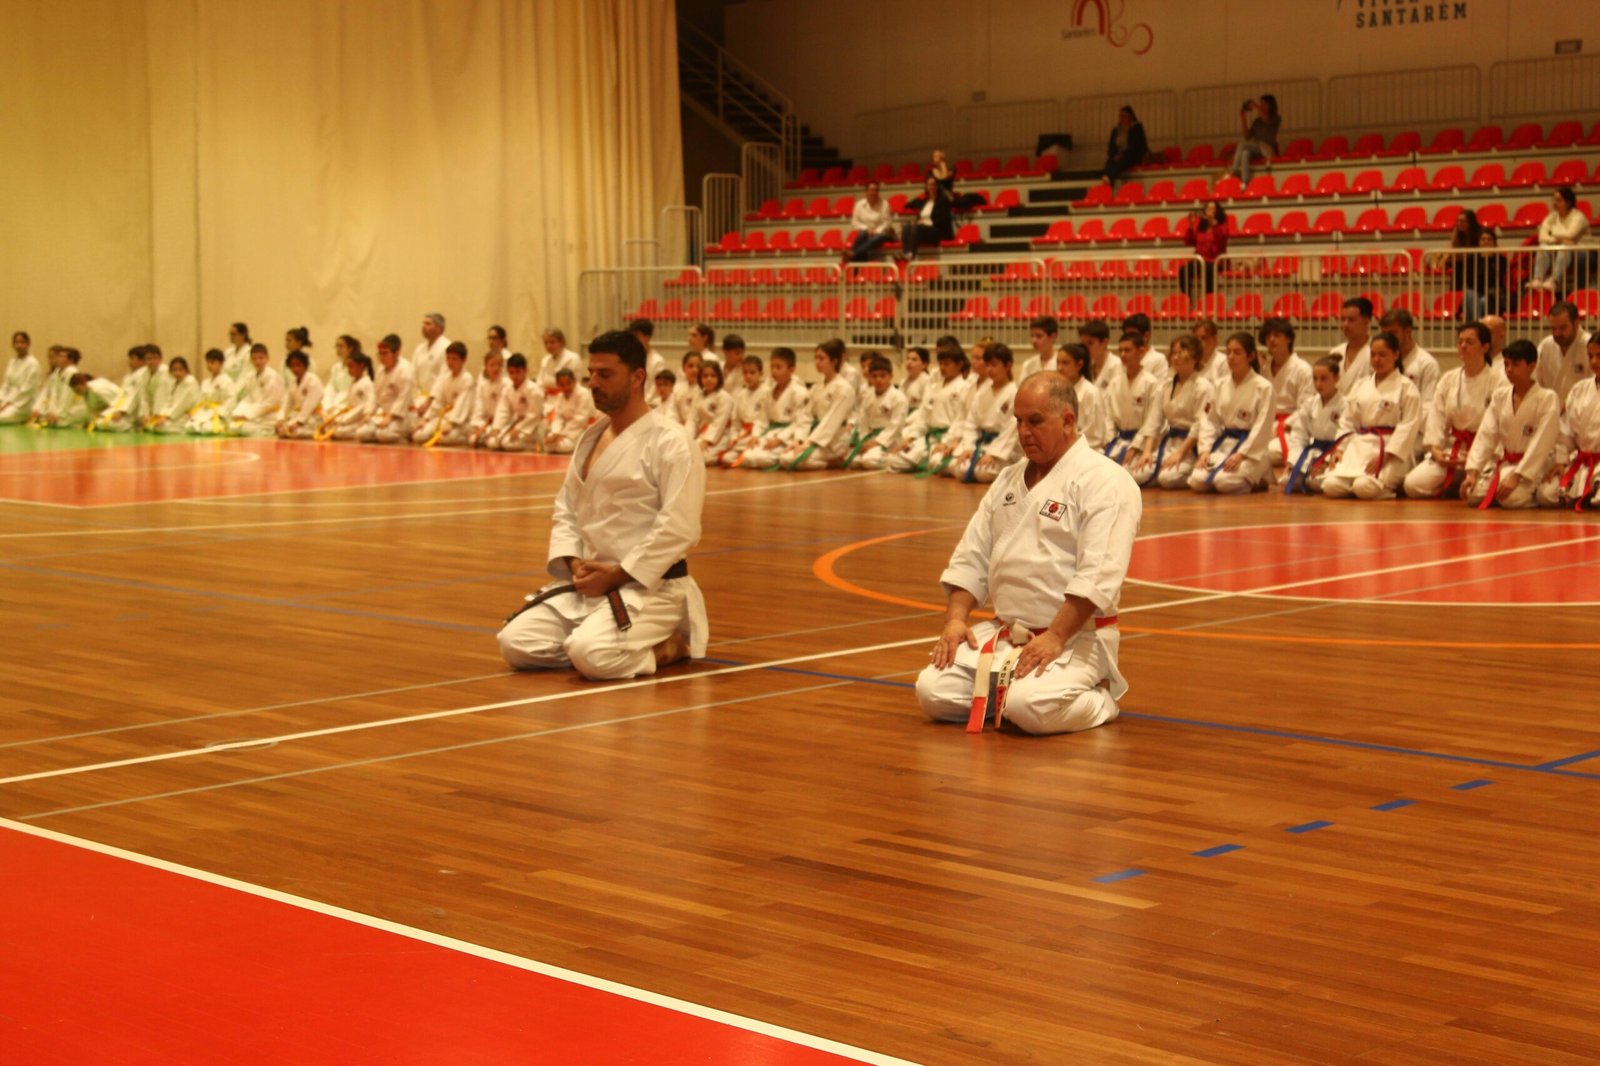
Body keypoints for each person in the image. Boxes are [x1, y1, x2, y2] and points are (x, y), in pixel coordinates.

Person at [917, 371, 1141, 736]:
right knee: (933, 692)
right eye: (1019, 421)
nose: (1023, 432)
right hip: (1007, 633)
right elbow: (971, 556)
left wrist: (1055, 636)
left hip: (1076, 637)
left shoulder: (1107, 481)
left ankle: (1103, 698)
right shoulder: (1008, 479)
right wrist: (955, 620)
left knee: (1029, 708)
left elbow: (1098, 574)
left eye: (1035, 421)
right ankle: (1009, 693)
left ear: (1067, 420)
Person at [496, 329, 707, 680]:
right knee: (515, 643)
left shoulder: (672, 442)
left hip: (650, 587)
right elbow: (565, 508)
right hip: (591, 585)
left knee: (591, 655)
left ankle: (670, 646)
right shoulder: (591, 438)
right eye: (591, 373)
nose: (593, 383)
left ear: (637, 377)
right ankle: (601, 640)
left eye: (605, 374)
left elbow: (679, 527)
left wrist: (619, 574)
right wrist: (575, 562)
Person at [1402, 321, 1502, 499]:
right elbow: (1437, 417)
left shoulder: (1498, 381)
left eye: (1469, 342)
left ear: (1485, 347)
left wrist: (1476, 456)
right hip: (1453, 451)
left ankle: (1467, 483)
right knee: (1413, 485)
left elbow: (1501, 427)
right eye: (1460, 341)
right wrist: (1436, 450)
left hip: (1484, 454)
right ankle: (1456, 483)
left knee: (1477, 495)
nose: (1463, 346)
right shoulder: (1449, 379)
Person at [1320, 331, 1422, 500]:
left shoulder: (1407, 388)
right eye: (1373, 355)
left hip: (1391, 451)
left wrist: (1386, 455)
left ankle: (1387, 491)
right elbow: (1348, 420)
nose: (1377, 359)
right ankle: (1352, 485)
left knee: (1364, 487)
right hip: (1361, 445)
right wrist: (1340, 448)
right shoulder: (1361, 385)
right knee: (1331, 486)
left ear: (1396, 355)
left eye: (1382, 355)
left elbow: (1409, 426)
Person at [1462, 340, 1560, 509]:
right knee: (1472, 495)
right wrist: (1473, 471)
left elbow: (1541, 444)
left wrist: (1517, 476)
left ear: (1532, 366)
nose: (1509, 370)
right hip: (1506, 463)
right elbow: (1486, 434)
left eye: (1515, 364)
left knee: (1511, 500)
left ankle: (1536, 493)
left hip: (1534, 467)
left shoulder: (1547, 398)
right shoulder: (1500, 396)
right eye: (1506, 364)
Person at [747, 339, 856, 471]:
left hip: (834, 441)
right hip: (815, 437)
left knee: (789, 459)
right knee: (785, 458)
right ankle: (828, 460)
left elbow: (831, 421)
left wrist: (809, 442)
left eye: (822, 359)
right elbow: (806, 416)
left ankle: (835, 461)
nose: (817, 362)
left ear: (834, 361)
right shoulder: (817, 387)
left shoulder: (844, 388)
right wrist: (798, 440)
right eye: (816, 358)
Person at [1189, 331, 1274, 495]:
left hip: (1251, 450)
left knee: (1223, 483)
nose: (1231, 357)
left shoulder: (1264, 387)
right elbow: (1209, 420)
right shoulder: (1219, 385)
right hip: (1225, 445)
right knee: (1197, 481)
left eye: (1237, 352)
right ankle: (1251, 477)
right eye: (1228, 352)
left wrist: (1241, 454)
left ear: (1250, 356)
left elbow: (1262, 426)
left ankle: (1260, 477)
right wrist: (1205, 450)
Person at [887, 338, 970, 474]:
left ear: (960, 364)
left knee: (938, 461)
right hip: (929, 437)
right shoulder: (934, 387)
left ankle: (928, 461)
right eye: (941, 363)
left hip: (949, 437)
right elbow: (923, 418)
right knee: (893, 459)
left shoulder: (965, 388)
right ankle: (924, 459)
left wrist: (948, 441)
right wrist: (910, 438)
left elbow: (961, 420)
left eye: (947, 364)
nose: (942, 367)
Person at [1539, 334, 1600, 508]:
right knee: (1545, 494)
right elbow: (1566, 430)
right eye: (1590, 356)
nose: (1594, 361)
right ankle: (1587, 491)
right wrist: (1561, 460)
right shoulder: (1579, 389)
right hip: (1583, 461)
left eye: (1599, 356)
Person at [1149, 335, 1215, 490]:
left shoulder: (1203, 387)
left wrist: (1179, 453)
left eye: (1181, 353)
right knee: (1138, 473)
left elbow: (1200, 425)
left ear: (1194, 357)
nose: (1175, 357)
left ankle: (1194, 471)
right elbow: (1154, 421)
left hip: (1191, 447)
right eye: (1173, 353)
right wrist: (1147, 451)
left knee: (1166, 479)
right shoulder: (1165, 386)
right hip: (1169, 443)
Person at [945, 343, 1017, 482]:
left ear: (1008, 366)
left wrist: (993, 454)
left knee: (983, 472)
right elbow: (971, 423)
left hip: (1004, 450)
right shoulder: (982, 392)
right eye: (988, 364)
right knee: (960, 468)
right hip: (982, 444)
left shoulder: (1014, 393)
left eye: (994, 365)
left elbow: (1012, 429)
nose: (990, 369)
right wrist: (969, 448)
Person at [733, 347, 808, 468]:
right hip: (770, 434)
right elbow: (762, 419)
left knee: (762, 459)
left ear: (791, 369)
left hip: (788, 436)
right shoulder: (768, 392)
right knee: (747, 456)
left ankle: (781, 456)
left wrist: (779, 439)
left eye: (779, 367)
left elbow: (799, 423)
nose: (774, 371)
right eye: (772, 367)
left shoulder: (799, 392)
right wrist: (755, 435)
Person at [1282, 355, 1346, 495]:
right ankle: (1310, 474)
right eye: (1315, 379)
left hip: (1334, 454)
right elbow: (1299, 434)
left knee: (1321, 483)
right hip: (1313, 451)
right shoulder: (1310, 403)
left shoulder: (1345, 404)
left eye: (1324, 379)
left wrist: (1326, 461)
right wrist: (1293, 462)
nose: (1318, 384)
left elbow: (1346, 436)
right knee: (1289, 480)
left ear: (1336, 378)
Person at [1259, 317, 1314, 472]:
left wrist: (1285, 424)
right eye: (1268, 336)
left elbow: (1306, 407)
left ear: (1288, 338)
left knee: (1268, 453)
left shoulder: (1303, 369)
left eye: (1277, 335)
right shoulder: (1265, 369)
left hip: (1291, 427)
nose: (1271, 340)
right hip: (1268, 424)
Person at [1102, 330, 1164, 467]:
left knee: (1134, 474)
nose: (1123, 355)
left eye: (1127, 350)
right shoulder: (1115, 383)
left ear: (1141, 351)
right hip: (1119, 441)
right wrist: (1109, 440)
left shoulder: (1151, 383)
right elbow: (1109, 417)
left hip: (1142, 442)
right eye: (1120, 351)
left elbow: (1152, 420)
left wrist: (1135, 446)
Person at [845, 354, 910, 469]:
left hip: (889, 441)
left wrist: (877, 442)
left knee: (869, 460)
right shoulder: (868, 396)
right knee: (851, 460)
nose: (878, 380)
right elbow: (863, 421)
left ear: (891, 376)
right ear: (869, 378)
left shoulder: (898, 397)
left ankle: (894, 458)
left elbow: (896, 426)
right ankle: (875, 455)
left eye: (882, 376)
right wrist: (863, 442)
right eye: (874, 376)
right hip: (870, 438)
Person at [1527, 186, 1591, 292]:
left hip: (1582, 251)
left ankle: (1554, 280)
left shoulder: (1579, 217)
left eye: (1559, 200)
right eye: (1554, 200)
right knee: (1543, 247)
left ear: (1568, 202)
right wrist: (1557, 239)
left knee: (1563, 247)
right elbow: (1542, 237)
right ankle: (1538, 278)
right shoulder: (1551, 217)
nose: (1554, 203)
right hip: (1558, 248)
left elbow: (1570, 234)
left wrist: (1552, 234)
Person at [412, 341, 477, 446]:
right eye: (448, 358)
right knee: (418, 435)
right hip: (444, 418)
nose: (450, 362)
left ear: (463, 360)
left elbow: (462, 406)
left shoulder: (467, 379)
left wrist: (451, 423)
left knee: (445, 438)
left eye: (454, 359)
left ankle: (465, 436)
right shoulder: (446, 378)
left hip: (461, 422)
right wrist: (426, 419)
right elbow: (438, 402)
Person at [355, 335, 417, 443]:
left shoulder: (406, 370)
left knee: (383, 434)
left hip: (403, 416)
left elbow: (403, 398)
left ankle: (405, 436)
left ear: (396, 353)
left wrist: (390, 417)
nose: (382, 357)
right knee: (361, 433)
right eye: (380, 353)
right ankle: (383, 434)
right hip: (383, 415)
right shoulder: (380, 371)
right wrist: (368, 414)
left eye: (385, 353)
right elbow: (374, 396)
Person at [1536, 301, 1591, 412]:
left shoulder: (1590, 345)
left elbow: (1595, 389)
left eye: (1562, 328)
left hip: (1581, 414)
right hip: (1549, 412)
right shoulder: (1545, 345)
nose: (1557, 333)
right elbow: (1535, 382)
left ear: (1576, 324)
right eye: (1553, 329)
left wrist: (1567, 407)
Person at [1380, 308, 1440, 408]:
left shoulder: (1427, 364)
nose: (1387, 338)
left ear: (1408, 331)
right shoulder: (1380, 361)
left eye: (1392, 333)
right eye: (1384, 333)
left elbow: (1428, 405)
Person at [485, 353, 544, 451]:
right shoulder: (507, 389)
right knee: (493, 441)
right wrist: (497, 428)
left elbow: (534, 415)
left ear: (525, 370)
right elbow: (502, 411)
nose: (514, 376)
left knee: (507, 443)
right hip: (516, 423)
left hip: (532, 426)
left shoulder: (534, 390)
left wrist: (519, 429)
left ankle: (534, 444)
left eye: (518, 372)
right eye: (511, 372)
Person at [230, 344, 287, 436]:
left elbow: (269, 403)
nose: (258, 361)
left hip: (270, 415)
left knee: (245, 429)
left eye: (261, 358)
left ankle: (270, 430)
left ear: (267, 358)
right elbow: (248, 399)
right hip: (255, 415)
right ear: (250, 360)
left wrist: (247, 415)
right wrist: (238, 412)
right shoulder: (250, 376)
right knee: (233, 427)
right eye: (254, 358)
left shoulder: (272, 376)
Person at [1225, 94, 1281, 183]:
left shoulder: (1275, 118)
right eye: (1260, 103)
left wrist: (1255, 106)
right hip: (1256, 147)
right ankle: (1245, 181)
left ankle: (1234, 171)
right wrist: (1243, 119)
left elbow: (1266, 118)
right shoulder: (1257, 121)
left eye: (1264, 104)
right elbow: (1247, 136)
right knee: (1245, 153)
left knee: (1242, 145)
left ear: (1270, 105)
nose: (1261, 106)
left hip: (1266, 148)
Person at [898, 176, 953, 263]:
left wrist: (928, 222)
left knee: (916, 227)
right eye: (929, 185)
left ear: (937, 186)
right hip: (925, 229)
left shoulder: (943, 201)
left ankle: (911, 254)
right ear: (926, 186)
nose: (931, 187)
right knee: (907, 227)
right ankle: (905, 252)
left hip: (938, 230)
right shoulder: (924, 202)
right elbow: (908, 205)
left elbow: (944, 219)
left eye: (933, 185)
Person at [323, 352, 376, 441]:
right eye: (348, 367)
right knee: (329, 428)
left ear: (361, 366)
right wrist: (339, 418)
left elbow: (365, 406)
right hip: (352, 418)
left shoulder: (367, 383)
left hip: (362, 418)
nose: (349, 370)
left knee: (338, 431)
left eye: (351, 366)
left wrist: (344, 420)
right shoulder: (354, 383)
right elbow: (350, 406)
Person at [545, 368, 599, 454]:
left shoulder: (583, 394)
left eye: (568, 383)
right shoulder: (560, 396)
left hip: (581, 429)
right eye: (562, 385)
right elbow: (558, 417)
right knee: (548, 443)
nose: (566, 387)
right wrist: (555, 433)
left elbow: (580, 419)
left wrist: (563, 434)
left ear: (574, 381)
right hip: (564, 430)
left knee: (563, 446)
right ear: (558, 385)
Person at [275, 350, 325, 438]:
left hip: (314, 416)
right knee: (282, 430)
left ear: (305, 366)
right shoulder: (293, 383)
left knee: (295, 431)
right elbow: (287, 404)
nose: (295, 369)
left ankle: (319, 431)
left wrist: (299, 422)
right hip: (299, 416)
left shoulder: (313, 381)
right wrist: (280, 419)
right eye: (292, 366)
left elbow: (310, 405)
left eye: (298, 365)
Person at [1182, 202, 1228, 298]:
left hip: (1215, 260)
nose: (1210, 211)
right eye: (1208, 209)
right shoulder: (1200, 227)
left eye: (1212, 209)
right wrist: (1191, 225)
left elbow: (1221, 239)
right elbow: (1189, 242)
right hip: (1200, 259)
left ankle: (1209, 300)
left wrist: (1213, 223)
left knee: (1208, 270)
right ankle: (1186, 299)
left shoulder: (1222, 225)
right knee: (1183, 270)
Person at [844, 181, 896, 266]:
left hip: (883, 233)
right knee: (862, 234)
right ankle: (856, 262)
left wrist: (876, 231)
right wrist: (867, 229)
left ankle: (853, 254)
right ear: (866, 192)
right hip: (867, 232)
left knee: (878, 237)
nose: (873, 193)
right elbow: (855, 222)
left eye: (876, 190)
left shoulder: (884, 204)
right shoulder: (859, 205)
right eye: (871, 190)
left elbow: (887, 222)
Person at [465, 347, 509, 447]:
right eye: (492, 365)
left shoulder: (507, 384)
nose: (496, 368)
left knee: (492, 443)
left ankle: (492, 436)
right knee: (472, 439)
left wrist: (496, 427)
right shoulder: (482, 385)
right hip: (486, 422)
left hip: (503, 423)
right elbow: (478, 408)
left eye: (499, 365)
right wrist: (476, 426)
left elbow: (505, 411)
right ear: (485, 366)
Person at [186, 350, 238, 434]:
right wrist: (195, 412)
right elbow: (201, 401)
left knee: (208, 429)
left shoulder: (227, 381)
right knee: (188, 426)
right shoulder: (205, 382)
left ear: (221, 364)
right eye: (208, 362)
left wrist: (220, 414)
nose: (209, 365)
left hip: (218, 414)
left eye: (213, 362)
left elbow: (231, 401)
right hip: (206, 412)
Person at [692, 360, 733, 463]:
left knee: (701, 457)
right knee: (687, 452)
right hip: (701, 434)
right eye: (705, 376)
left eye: (713, 376)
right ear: (700, 379)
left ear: (719, 377)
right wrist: (686, 438)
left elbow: (719, 422)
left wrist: (707, 441)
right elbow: (692, 420)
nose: (709, 379)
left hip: (719, 436)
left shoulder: (724, 397)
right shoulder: (698, 395)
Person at [146, 356, 200, 434]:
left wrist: (167, 417)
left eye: (180, 369)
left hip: (185, 415)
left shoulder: (190, 382)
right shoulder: (175, 382)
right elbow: (169, 402)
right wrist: (161, 415)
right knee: (152, 425)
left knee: (161, 427)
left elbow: (182, 404)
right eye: (174, 370)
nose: (177, 372)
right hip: (174, 415)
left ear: (186, 369)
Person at [1331, 297, 1374, 395]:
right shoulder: (1335, 352)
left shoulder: (1376, 353)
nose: (1345, 324)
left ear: (1366, 321)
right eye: (1343, 319)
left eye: (1351, 320)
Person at [1100, 105, 1148, 187]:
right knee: (1110, 159)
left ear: (1131, 116)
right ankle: (1106, 176)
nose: (1123, 118)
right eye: (1121, 116)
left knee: (1124, 158)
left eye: (1125, 116)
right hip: (1119, 154)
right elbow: (1111, 146)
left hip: (1132, 155)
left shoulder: (1137, 128)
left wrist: (1122, 155)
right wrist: (1114, 155)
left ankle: (1110, 177)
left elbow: (1134, 146)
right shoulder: (1115, 130)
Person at [0, 331, 42, 424]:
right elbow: (6, 384)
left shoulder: (33, 363)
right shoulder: (12, 362)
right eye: (16, 342)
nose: (19, 345)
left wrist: (7, 403)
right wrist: (1, 400)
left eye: (22, 342)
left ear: (28, 344)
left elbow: (27, 390)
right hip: (7, 400)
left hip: (23, 403)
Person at [537, 327, 583, 394]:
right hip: (546, 398)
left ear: (561, 342)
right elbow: (539, 383)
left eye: (552, 342)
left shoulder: (572, 358)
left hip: (567, 398)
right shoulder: (545, 360)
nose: (548, 346)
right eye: (546, 343)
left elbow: (574, 385)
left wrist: (551, 391)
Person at [412, 313, 451, 391]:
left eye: (428, 324)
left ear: (440, 328)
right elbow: (413, 374)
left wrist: (431, 398)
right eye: (423, 323)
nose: (423, 326)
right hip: (419, 396)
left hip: (437, 398)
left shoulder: (447, 347)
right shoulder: (419, 349)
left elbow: (444, 376)